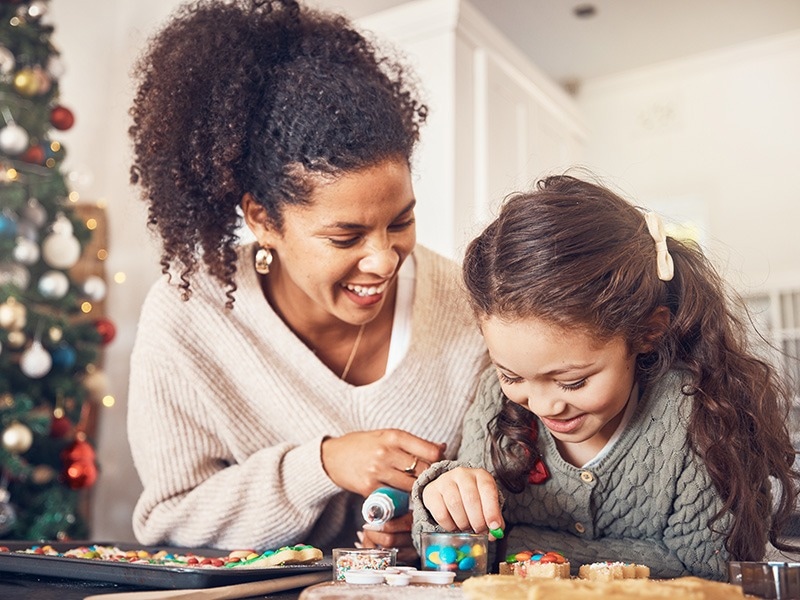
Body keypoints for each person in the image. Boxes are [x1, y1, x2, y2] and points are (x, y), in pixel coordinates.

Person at [126, 0, 488, 562]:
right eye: (346, 237)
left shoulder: (465, 305)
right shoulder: (189, 315)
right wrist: (321, 465)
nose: (384, 260)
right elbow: (172, 522)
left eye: (402, 222)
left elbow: (514, 490)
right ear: (262, 220)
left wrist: (431, 524)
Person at [411, 174, 800, 580]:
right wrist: (444, 497)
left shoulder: (698, 413)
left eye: (573, 381)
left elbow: (701, 573)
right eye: (512, 375)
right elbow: (460, 559)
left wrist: (518, 545)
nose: (543, 406)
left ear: (647, 331)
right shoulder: (495, 398)